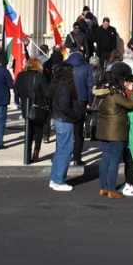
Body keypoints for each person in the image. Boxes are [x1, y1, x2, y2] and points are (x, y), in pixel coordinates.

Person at [94, 73, 133, 198]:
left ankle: (103, 187)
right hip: (117, 132)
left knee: (105, 159)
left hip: (103, 131)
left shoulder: (101, 93)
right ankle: (112, 190)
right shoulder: (114, 94)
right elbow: (131, 105)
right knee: (114, 161)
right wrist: (131, 91)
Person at [48, 64, 81, 192]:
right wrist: (75, 115)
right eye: (72, 70)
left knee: (60, 150)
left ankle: (55, 178)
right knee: (66, 151)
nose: (74, 72)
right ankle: (59, 180)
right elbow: (64, 105)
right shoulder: (65, 86)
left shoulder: (58, 84)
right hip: (65, 120)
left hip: (60, 118)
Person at [14, 58, 49, 162]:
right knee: (38, 130)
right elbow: (46, 92)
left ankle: (27, 154)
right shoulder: (40, 76)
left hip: (26, 106)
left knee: (28, 130)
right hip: (38, 106)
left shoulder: (20, 75)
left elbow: (16, 90)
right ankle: (36, 153)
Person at [66, 50, 95, 165]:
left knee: (66, 132)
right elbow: (90, 86)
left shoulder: (65, 67)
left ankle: (66, 157)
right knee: (78, 132)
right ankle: (77, 158)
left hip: (66, 101)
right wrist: (89, 101)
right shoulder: (87, 68)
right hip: (81, 102)